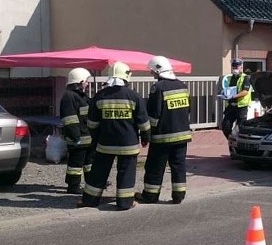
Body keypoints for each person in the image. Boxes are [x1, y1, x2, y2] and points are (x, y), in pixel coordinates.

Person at [80, 62, 150, 210]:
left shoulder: (99, 96)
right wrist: (145, 138)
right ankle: (125, 202)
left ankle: (90, 200)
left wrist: (97, 138)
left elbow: (92, 123)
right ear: (126, 77)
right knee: (126, 171)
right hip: (128, 144)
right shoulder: (134, 96)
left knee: (98, 171)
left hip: (105, 143)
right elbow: (143, 122)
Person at [134, 56, 193, 204]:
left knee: (155, 166)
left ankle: (150, 195)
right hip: (182, 135)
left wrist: (146, 134)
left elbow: (153, 116)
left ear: (158, 70)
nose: (151, 74)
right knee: (178, 165)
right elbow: (188, 110)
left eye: (152, 71)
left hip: (162, 137)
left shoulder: (158, 88)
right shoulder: (183, 86)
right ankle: (178, 195)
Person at [59, 67, 95, 194]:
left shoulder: (82, 96)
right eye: (85, 81)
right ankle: (73, 186)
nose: (87, 84)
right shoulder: (69, 97)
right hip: (78, 139)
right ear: (79, 81)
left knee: (89, 163)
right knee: (75, 165)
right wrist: (76, 137)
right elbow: (69, 119)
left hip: (87, 138)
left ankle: (92, 183)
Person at [219, 58, 252, 140]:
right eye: (233, 67)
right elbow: (228, 89)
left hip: (241, 107)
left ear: (241, 67)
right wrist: (224, 94)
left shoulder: (246, 78)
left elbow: (245, 92)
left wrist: (234, 96)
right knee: (225, 126)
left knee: (240, 129)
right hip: (231, 106)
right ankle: (232, 141)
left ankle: (240, 145)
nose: (235, 69)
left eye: (236, 67)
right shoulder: (230, 78)